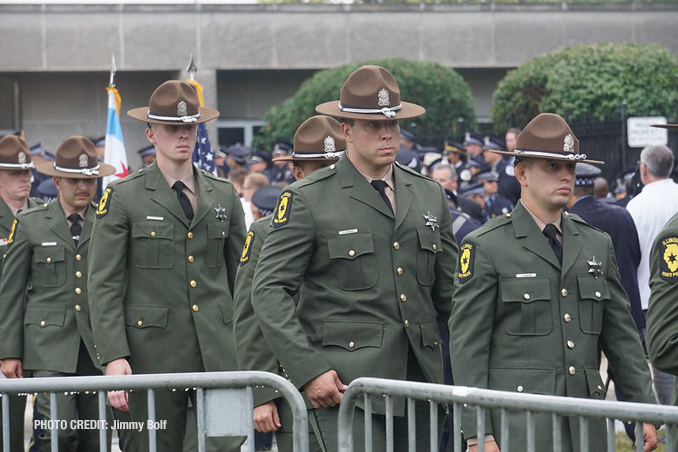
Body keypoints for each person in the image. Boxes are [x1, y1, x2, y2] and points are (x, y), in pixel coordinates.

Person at [251, 65, 457, 452]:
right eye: (371, 125)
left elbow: (453, 297)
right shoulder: (308, 198)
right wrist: (309, 370)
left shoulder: (429, 194)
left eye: (393, 124)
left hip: (419, 384)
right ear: (345, 130)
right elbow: (268, 291)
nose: (386, 133)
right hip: (345, 389)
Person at [450, 113, 657, 452]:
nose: (565, 176)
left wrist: (643, 407)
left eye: (571, 168)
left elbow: (621, 335)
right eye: (551, 166)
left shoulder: (595, 243)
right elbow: (468, 347)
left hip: (585, 425)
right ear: (521, 173)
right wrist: (478, 433)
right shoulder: (487, 246)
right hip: (519, 428)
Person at [88, 80, 247, 452]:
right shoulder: (124, 196)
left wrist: (250, 351)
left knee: (225, 445)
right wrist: (113, 355)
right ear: (151, 134)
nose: (183, 135)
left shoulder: (222, 193)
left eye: (189, 127)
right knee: (151, 446)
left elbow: (243, 280)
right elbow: (104, 282)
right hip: (151, 353)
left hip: (219, 352)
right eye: (172, 128)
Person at [235, 115, 345, 452]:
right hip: (297, 386)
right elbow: (251, 314)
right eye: (318, 169)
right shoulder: (267, 232)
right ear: (297, 173)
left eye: (336, 168)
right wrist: (263, 392)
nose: (329, 178)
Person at [0, 136, 116, 452]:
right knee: (59, 434)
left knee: (96, 437)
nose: (83, 187)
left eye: (90, 180)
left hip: (98, 344)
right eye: (75, 180)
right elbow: (10, 292)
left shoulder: (109, 223)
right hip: (48, 345)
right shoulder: (30, 223)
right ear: (56, 181)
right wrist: (9, 350)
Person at [0, 135, 45, 452]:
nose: (25, 178)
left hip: (43, 337)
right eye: (15, 172)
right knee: (8, 430)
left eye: (27, 171)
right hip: (4, 337)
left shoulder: (45, 214)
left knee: (52, 429)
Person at [626, 144, 678, 405]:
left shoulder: (635, 207)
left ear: (643, 169)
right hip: (665, 293)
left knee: (661, 363)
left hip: (649, 294)